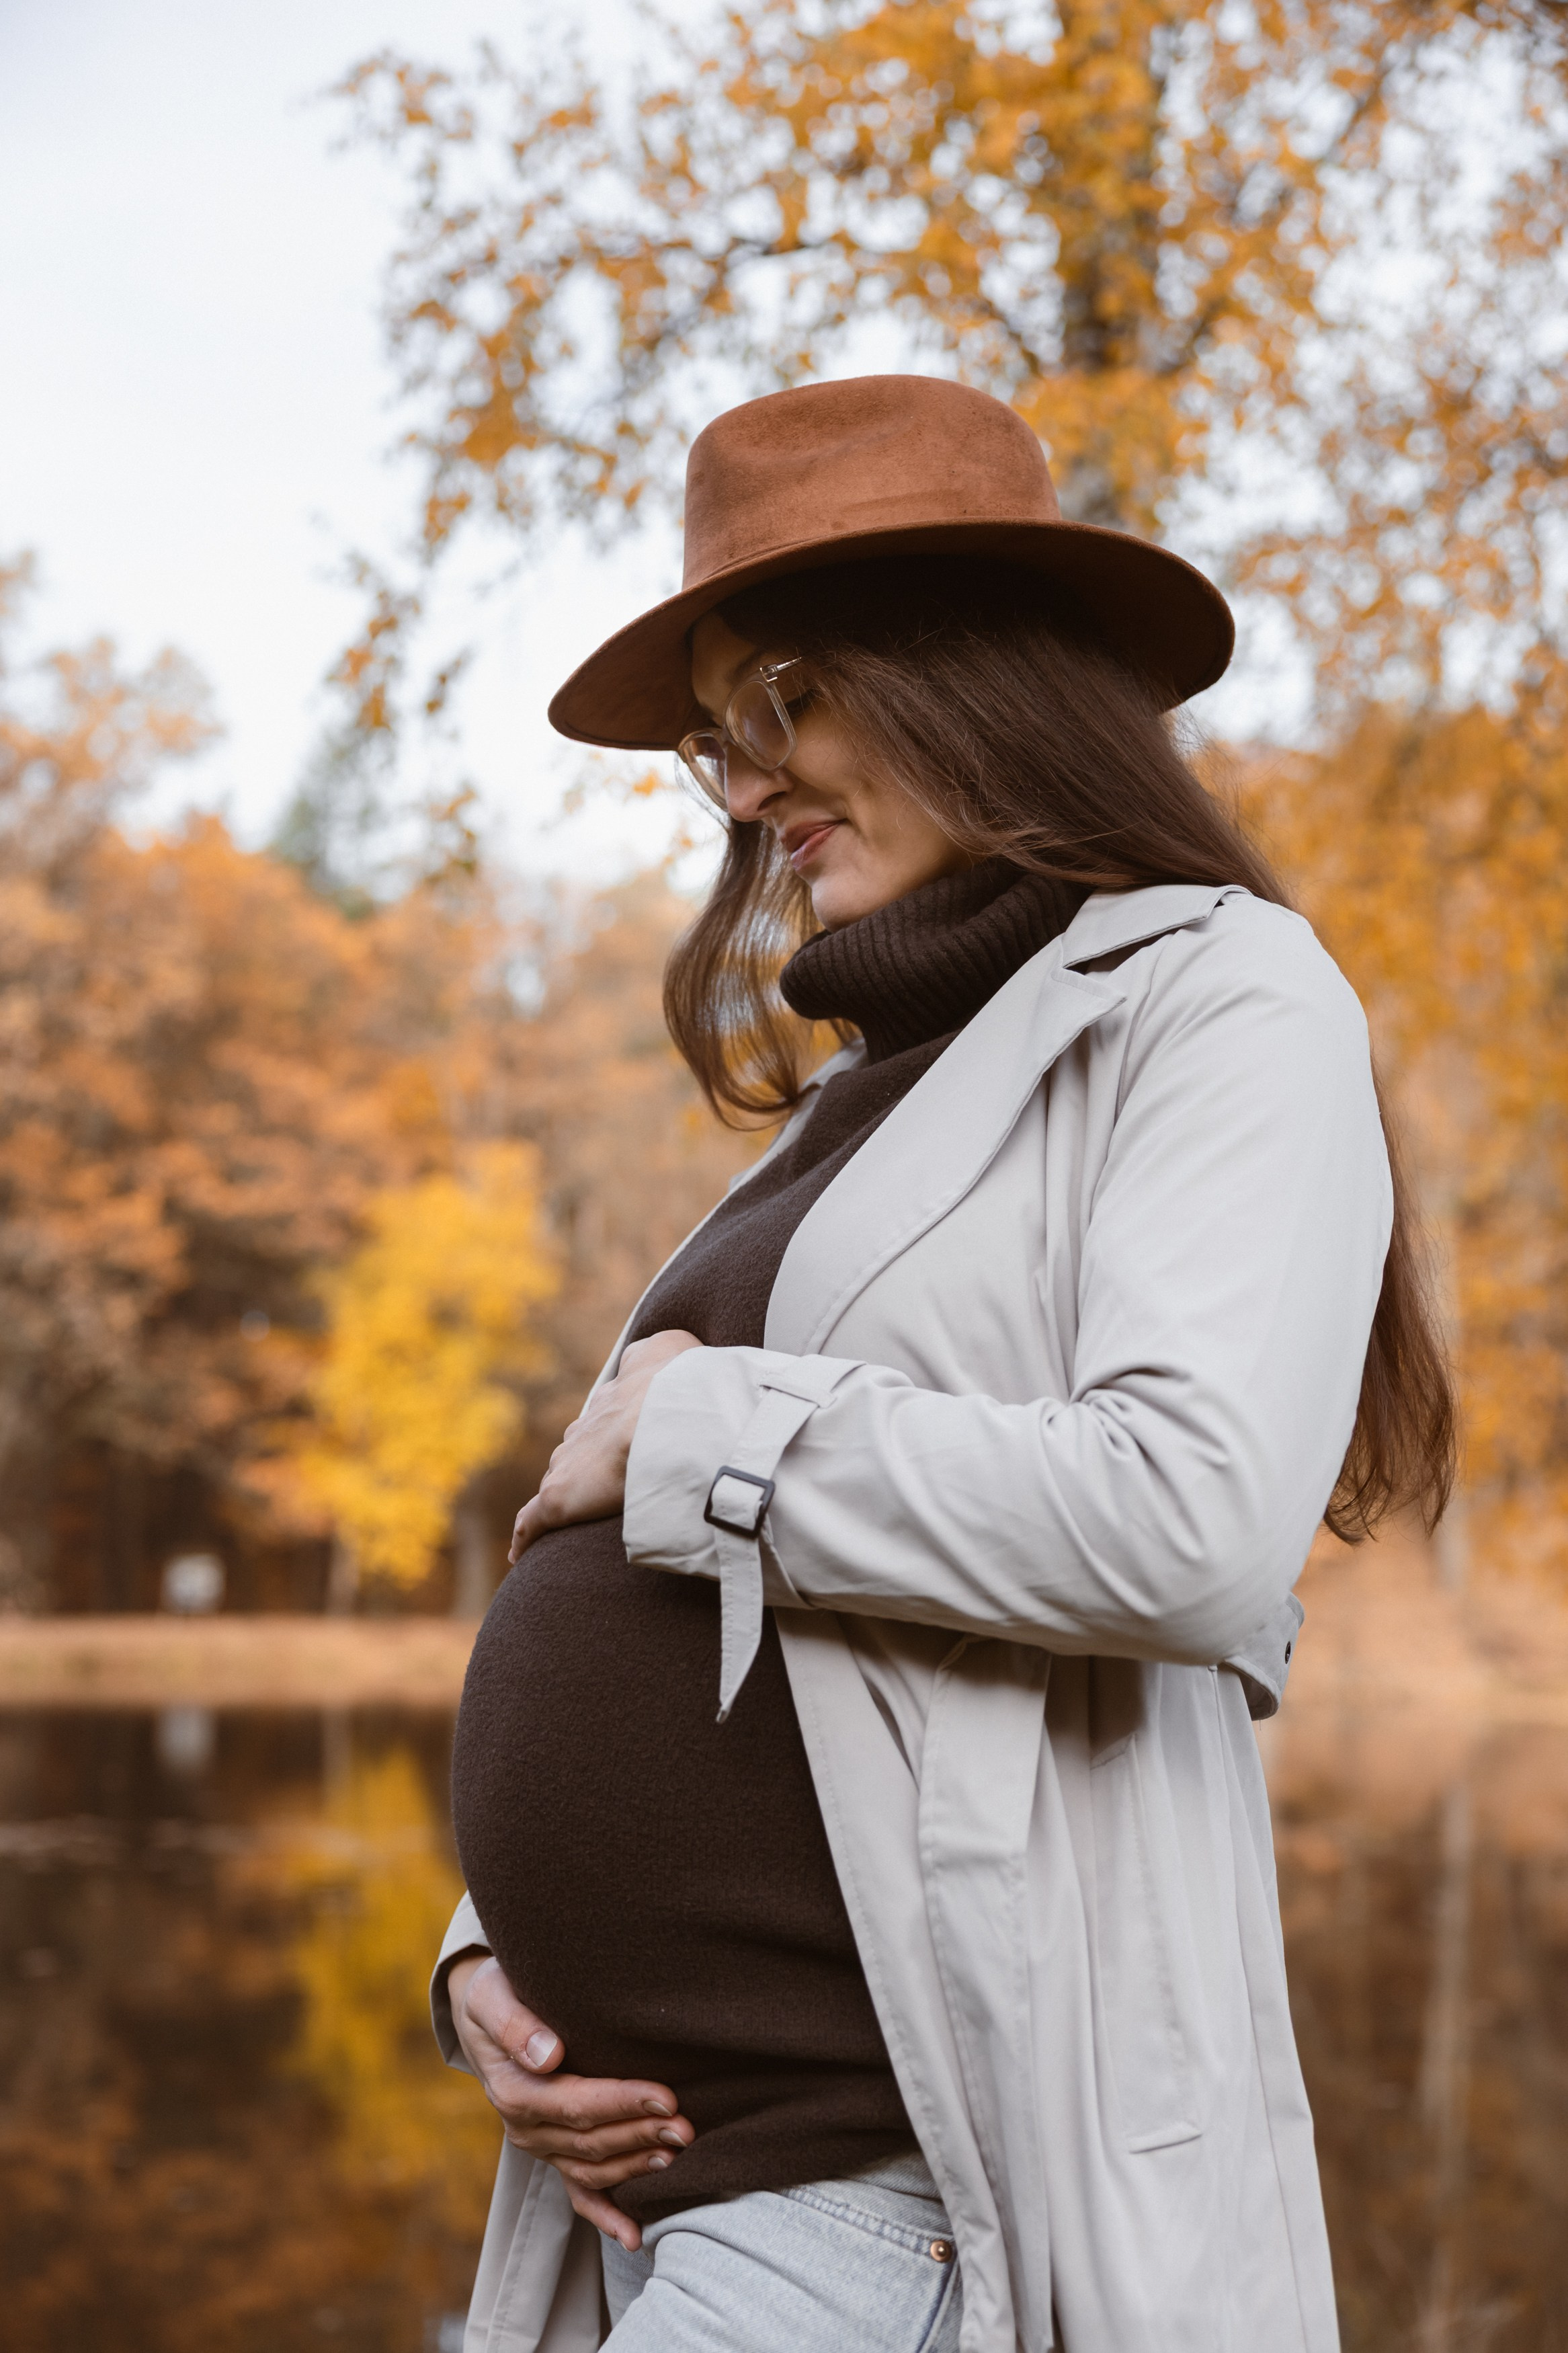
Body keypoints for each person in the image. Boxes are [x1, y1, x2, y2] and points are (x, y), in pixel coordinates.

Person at [431, 374, 1454, 2353]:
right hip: (658, 2200)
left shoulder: (1222, 995)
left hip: (900, 2196)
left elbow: (1191, 1523)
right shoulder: (868, 1098)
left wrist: (706, 1426)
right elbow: (733, 1646)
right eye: (719, 738)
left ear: (976, 676)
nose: (741, 786)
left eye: (784, 703)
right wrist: (497, 1958)